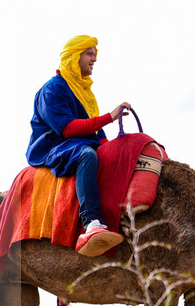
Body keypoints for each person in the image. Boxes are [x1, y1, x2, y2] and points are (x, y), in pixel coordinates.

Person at [26, 35, 132, 257]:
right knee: (87, 156)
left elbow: (95, 132)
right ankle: (91, 222)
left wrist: (115, 149)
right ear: (74, 57)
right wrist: (110, 117)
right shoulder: (52, 89)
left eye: (95, 54)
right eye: (89, 54)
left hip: (81, 140)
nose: (94, 59)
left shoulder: (83, 91)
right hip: (56, 146)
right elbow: (67, 129)